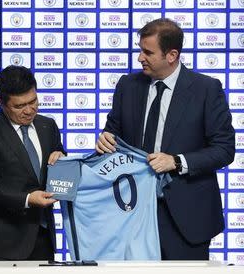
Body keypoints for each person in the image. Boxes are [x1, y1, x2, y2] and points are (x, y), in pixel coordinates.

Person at [96, 18, 235, 260]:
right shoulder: (127, 85)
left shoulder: (207, 89)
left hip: (186, 218)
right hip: (131, 214)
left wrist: (177, 162)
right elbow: (113, 132)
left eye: (147, 52)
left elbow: (224, 149)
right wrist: (105, 140)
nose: (140, 58)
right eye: (140, 50)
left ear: (172, 55)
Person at [0, 65, 66, 261]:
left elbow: (60, 162)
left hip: (44, 236)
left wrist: (63, 159)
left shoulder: (48, 126)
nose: (29, 110)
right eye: (20, 106)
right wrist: (28, 199)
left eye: (33, 101)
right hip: (4, 242)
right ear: (1, 103)